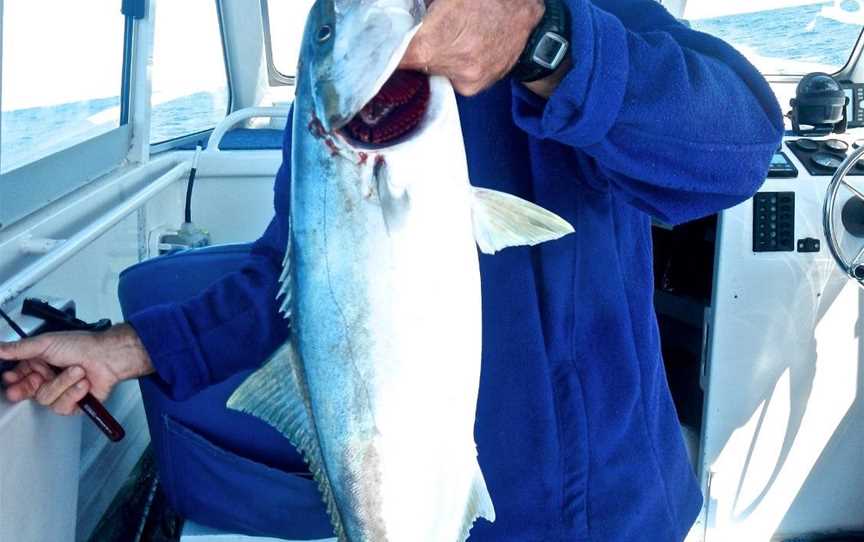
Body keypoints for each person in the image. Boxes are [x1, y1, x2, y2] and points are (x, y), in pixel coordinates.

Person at [0, 0, 783, 540]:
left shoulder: (579, 12)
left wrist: (544, 44)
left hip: (610, 516)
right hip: (416, 511)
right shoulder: (333, 109)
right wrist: (124, 348)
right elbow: (299, 276)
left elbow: (738, 148)